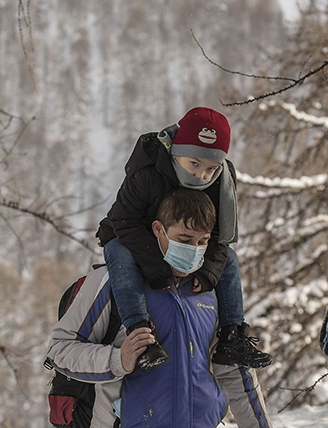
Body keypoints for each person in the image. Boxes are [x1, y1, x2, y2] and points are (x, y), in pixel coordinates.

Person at [49, 188, 277, 428]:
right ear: (158, 230)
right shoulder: (112, 284)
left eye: (203, 241)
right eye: (185, 239)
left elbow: (230, 365)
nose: (195, 250)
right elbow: (60, 350)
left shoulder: (211, 288)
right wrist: (117, 359)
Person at [97, 107, 272, 370]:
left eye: (211, 168)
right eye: (194, 164)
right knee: (121, 257)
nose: (201, 176)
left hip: (188, 238)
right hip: (132, 235)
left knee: (230, 261)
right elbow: (124, 220)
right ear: (175, 151)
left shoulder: (220, 184)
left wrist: (207, 274)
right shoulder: (147, 173)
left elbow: (221, 237)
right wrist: (156, 267)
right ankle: (140, 334)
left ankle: (231, 336)